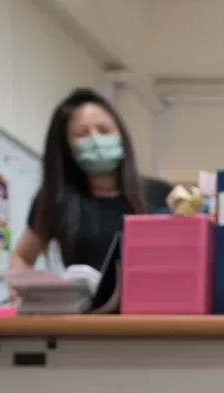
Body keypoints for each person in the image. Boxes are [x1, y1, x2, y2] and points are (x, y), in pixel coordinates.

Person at [9, 88, 171, 303]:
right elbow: (22, 256)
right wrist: (20, 302)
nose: (95, 140)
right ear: (67, 146)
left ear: (121, 136)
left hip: (151, 319)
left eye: (104, 130)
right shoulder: (57, 199)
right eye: (82, 133)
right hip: (83, 326)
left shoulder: (161, 195)